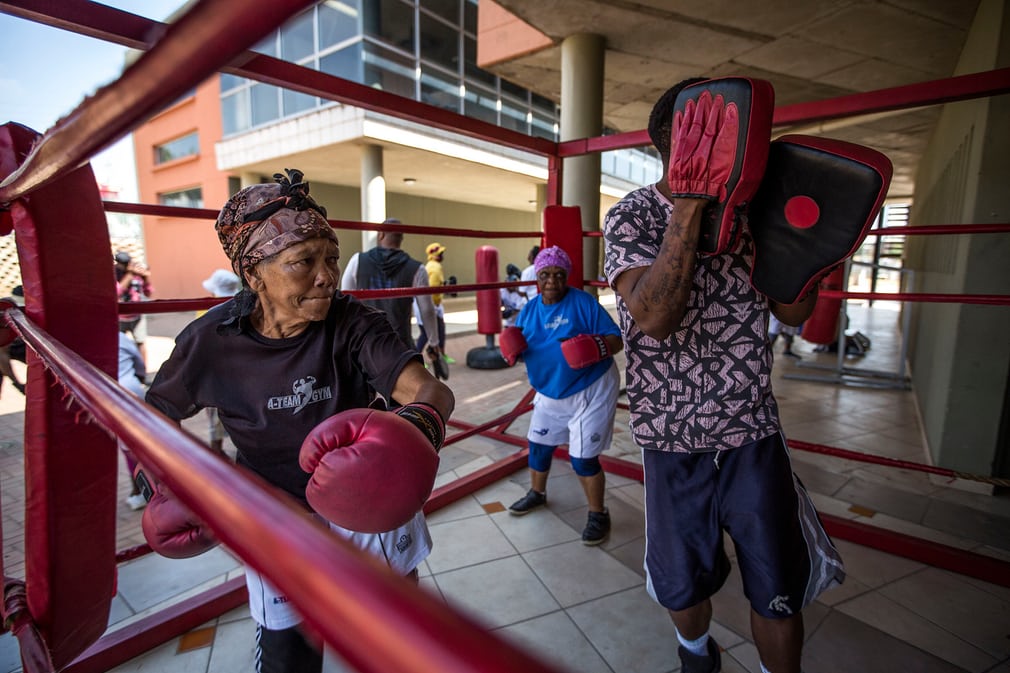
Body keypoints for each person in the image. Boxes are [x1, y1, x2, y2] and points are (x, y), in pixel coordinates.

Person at [144, 170, 454, 673]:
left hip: (366, 499)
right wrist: (166, 483)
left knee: (396, 638)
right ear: (253, 274)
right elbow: (154, 413)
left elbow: (429, 389)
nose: (327, 276)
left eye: (331, 258)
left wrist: (416, 429)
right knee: (290, 659)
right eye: (302, 262)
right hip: (275, 515)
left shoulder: (351, 322)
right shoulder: (210, 342)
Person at [602, 80, 844, 673]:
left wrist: (812, 250)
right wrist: (691, 201)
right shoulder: (632, 214)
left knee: (777, 586)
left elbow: (791, 312)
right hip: (670, 437)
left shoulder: (758, 214)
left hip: (750, 431)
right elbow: (655, 318)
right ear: (675, 144)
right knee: (683, 585)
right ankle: (694, 653)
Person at [500, 246, 623, 546]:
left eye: (558, 275)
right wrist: (510, 349)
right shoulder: (528, 311)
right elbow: (515, 340)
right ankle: (537, 494)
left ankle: (598, 513)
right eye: (545, 275)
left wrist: (595, 347)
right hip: (550, 391)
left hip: (591, 388)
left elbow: (616, 339)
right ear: (537, 278)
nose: (552, 281)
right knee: (538, 445)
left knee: (582, 459)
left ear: (566, 276)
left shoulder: (583, 303)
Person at [339, 219, 444, 373]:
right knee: (405, 393)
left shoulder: (357, 261)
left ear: (380, 235)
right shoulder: (417, 269)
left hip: (365, 343)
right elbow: (427, 310)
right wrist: (434, 342)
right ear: (401, 238)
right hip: (400, 345)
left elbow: (345, 302)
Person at [200, 269, 242, 452]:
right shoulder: (244, 310)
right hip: (240, 374)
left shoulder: (208, 313)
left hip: (216, 375)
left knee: (215, 420)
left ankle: (216, 451)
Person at [118, 331, 148, 510]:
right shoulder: (120, 336)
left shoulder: (82, 337)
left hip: (114, 394)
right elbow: (139, 363)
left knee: (129, 447)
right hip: (132, 389)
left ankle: (139, 492)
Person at [415, 242, 453, 364]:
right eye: (440, 253)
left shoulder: (432, 266)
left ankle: (440, 355)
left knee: (440, 330)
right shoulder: (435, 267)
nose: (442, 255)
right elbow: (433, 289)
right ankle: (417, 360)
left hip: (433, 303)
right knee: (427, 333)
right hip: (430, 303)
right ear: (434, 255)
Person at [114, 250, 154, 365]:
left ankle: (143, 373)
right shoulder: (116, 274)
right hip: (120, 317)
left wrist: (146, 277)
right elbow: (117, 292)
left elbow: (148, 293)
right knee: (119, 344)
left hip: (137, 316)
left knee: (140, 343)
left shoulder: (138, 275)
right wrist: (130, 275)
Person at [500, 263, 527, 327]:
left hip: (520, 324)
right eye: (510, 283)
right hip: (508, 324)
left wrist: (509, 312)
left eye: (514, 283)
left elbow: (517, 310)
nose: (512, 286)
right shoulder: (502, 291)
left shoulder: (520, 294)